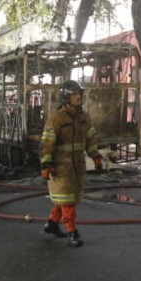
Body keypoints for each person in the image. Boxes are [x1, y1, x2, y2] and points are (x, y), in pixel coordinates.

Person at [39, 80, 102, 248]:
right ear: (65, 97)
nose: (78, 97)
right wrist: (46, 164)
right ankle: (72, 232)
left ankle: (52, 225)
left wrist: (95, 155)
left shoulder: (84, 117)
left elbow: (90, 139)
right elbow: (47, 143)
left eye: (79, 93)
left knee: (66, 198)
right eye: (74, 94)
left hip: (77, 167)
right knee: (68, 202)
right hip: (61, 168)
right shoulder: (57, 119)